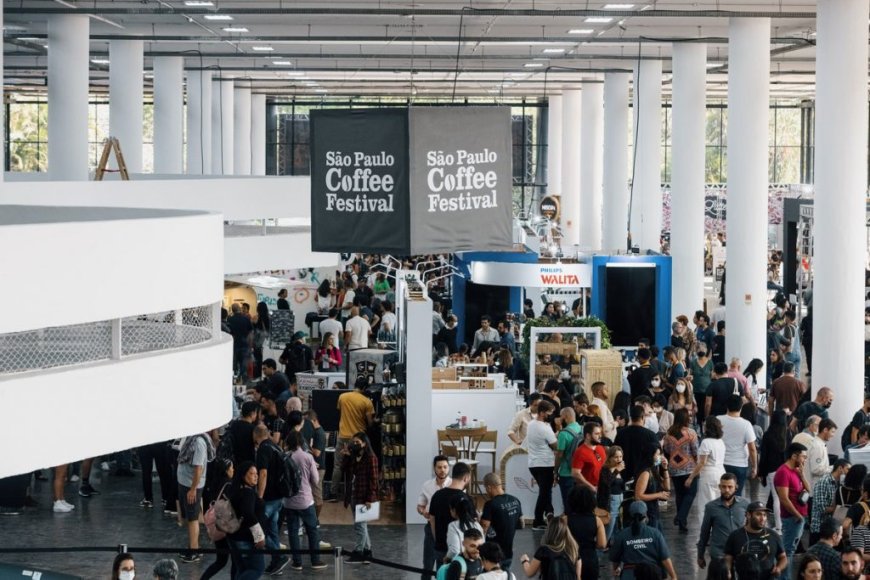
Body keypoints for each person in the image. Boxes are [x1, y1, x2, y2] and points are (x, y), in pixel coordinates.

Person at [284, 430, 328, 571]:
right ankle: (315, 561)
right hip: (305, 500)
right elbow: (315, 480)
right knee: (312, 530)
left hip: (289, 501)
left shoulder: (285, 457)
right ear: (301, 441)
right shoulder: (307, 457)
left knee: (293, 531)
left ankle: (297, 562)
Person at [330, 376, 374, 500]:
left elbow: (340, 412)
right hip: (358, 439)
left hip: (343, 436)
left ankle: (333, 493)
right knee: (358, 466)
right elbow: (370, 423)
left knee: (338, 466)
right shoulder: (366, 402)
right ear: (364, 388)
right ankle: (354, 493)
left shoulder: (342, 397)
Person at [697, 473, 749, 576]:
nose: (727, 490)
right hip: (719, 553)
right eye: (724, 486)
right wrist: (700, 554)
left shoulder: (745, 504)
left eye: (730, 487)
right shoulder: (711, 507)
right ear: (719, 487)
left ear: (736, 487)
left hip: (739, 552)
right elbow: (705, 532)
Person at [610, 501, 676, 580]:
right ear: (646, 515)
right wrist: (673, 576)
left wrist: (616, 569)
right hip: (651, 574)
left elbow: (615, 558)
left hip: (630, 574)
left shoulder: (622, 535)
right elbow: (665, 558)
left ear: (630, 515)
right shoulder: (655, 533)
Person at [722, 501, 787, 580]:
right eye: (758, 514)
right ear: (749, 515)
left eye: (764, 515)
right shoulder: (735, 535)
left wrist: (779, 568)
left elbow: (783, 557)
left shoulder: (773, 535)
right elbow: (728, 556)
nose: (762, 518)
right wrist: (727, 570)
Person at [342, 431, 379, 564]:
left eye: (358, 442)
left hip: (363, 496)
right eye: (354, 441)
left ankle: (359, 553)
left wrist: (370, 498)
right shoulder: (353, 456)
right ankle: (368, 552)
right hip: (353, 494)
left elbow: (374, 479)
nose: (355, 444)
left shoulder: (371, 458)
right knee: (362, 525)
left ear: (364, 443)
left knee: (360, 525)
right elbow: (343, 469)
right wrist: (346, 456)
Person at [774, 442, 810, 577]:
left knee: (790, 549)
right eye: (803, 457)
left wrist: (802, 475)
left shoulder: (795, 470)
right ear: (794, 456)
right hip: (792, 518)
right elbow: (784, 499)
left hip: (799, 516)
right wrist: (798, 516)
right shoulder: (783, 472)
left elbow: (808, 490)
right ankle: (784, 577)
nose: (805, 460)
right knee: (787, 551)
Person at [227, 461, 267, 579]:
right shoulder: (247, 492)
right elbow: (248, 513)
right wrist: (259, 535)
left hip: (235, 537)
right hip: (246, 539)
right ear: (243, 475)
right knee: (257, 569)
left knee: (242, 569)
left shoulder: (236, 490)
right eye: (251, 473)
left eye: (256, 473)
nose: (256, 476)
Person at [176, 433, 213, 563]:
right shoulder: (191, 438)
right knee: (190, 517)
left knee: (193, 518)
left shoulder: (198, 442)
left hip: (191, 486)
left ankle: (194, 551)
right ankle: (193, 546)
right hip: (186, 483)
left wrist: (193, 489)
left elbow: (199, 469)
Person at [662, 408, 698, 532]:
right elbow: (695, 451)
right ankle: (680, 517)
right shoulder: (691, 433)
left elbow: (666, 449)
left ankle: (682, 524)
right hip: (689, 468)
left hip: (674, 469)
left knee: (680, 495)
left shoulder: (669, 433)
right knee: (691, 494)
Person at [200, 458, 235, 580]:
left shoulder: (214, 484)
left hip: (217, 527)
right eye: (231, 468)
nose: (233, 470)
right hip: (227, 527)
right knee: (235, 560)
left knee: (221, 561)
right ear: (226, 470)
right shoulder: (229, 485)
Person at [430, 462, 472, 565]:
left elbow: (432, 520)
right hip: (460, 551)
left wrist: (437, 540)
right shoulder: (466, 499)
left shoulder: (437, 495)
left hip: (440, 547)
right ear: (466, 478)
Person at [525, 398, 558, 529]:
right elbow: (555, 446)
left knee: (546, 491)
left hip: (533, 463)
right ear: (543, 412)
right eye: (550, 413)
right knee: (544, 493)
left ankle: (550, 514)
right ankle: (538, 520)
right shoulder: (545, 428)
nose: (551, 416)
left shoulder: (531, 424)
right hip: (545, 464)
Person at [481, 472, 523, 573]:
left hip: (492, 555)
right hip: (508, 552)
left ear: (489, 487)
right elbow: (521, 524)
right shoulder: (515, 500)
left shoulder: (490, 504)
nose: (486, 492)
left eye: (486, 489)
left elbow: (483, 528)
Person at [419, 455, 453, 577]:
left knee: (443, 565)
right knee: (427, 564)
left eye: (445, 467)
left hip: (448, 529)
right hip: (430, 527)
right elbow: (420, 505)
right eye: (439, 467)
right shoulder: (427, 485)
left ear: (449, 468)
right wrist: (423, 512)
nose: (442, 470)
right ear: (434, 469)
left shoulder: (454, 485)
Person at [687, 416, 726, 522]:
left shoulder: (706, 442)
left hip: (708, 475)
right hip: (721, 472)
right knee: (719, 503)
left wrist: (691, 477)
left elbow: (702, 462)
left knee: (705, 504)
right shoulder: (720, 442)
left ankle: (705, 530)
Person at [519, 515, 581, 579]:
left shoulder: (544, 551)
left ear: (549, 531)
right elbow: (578, 577)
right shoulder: (573, 551)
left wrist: (524, 560)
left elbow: (529, 573)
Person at [718, 395, 757, 496]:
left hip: (721, 463)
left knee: (721, 494)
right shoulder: (746, 424)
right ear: (741, 407)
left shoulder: (718, 420)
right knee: (736, 495)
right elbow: (752, 448)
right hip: (739, 465)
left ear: (727, 406)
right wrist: (754, 467)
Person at [565, 486, 606, 580]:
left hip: (570, 558)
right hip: (589, 559)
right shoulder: (597, 520)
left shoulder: (565, 520)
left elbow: (557, 541)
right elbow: (602, 544)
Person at [758, 410, 789, 533]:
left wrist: (761, 472)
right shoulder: (788, 434)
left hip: (772, 470)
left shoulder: (768, 434)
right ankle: (785, 525)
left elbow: (764, 455)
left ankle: (779, 527)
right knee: (785, 498)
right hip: (786, 469)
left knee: (776, 498)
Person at [809, 458, 850, 545]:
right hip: (819, 528)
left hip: (831, 527)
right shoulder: (824, 482)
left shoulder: (839, 483)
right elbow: (822, 509)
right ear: (840, 468)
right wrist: (840, 509)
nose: (849, 472)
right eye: (848, 469)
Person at [614, 405, 659, 478]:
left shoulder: (620, 433)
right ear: (642, 417)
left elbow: (614, 453)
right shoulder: (651, 435)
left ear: (630, 417)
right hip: (644, 476)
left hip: (624, 474)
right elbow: (657, 457)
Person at [634, 443, 670, 530]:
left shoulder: (653, 470)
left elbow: (667, 487)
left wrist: (665, 469)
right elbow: (638, 496)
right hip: (648, 513)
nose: (660, 457)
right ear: (650, 455)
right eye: (657, 454)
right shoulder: (646, 473)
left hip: (655, 512)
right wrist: (659, 495)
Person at [597, 446, 626, 542]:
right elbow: (606, 484)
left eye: (621, 457)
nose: (619, 459)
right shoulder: (606, 469)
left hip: (620, 499)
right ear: (610, 458)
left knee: (618, 526)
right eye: (616, 457)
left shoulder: (620, 469)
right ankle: (601, 546)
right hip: (611, 501)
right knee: (609, 526)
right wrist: (617, 470)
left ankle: (613, 546)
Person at [555, 407, 583, 506]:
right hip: (581, 473)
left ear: (565, 417)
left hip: (566, 473)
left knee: (568, 504)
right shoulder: (583, 430)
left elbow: (559, 455)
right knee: (580, 505)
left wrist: (555, 472)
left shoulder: (563, 434)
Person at [446, 493, 485, 561]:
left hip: (461, 563)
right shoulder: (477, 525)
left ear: (454, 510)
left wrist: (447, 558)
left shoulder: (453, 526)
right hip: (476, 562)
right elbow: (483, 544)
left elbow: (454, 550)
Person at [227, 303, 253, 383]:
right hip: (245, 345)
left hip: (234, 345)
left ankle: (234, 381)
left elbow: (229, 332)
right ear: (239, 309)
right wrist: (250, 345)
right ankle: (243, 383)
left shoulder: (230, 319)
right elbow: (250, 333)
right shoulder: (246, 319)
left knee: (234, 365)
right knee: (243, 365)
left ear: (232, 310)